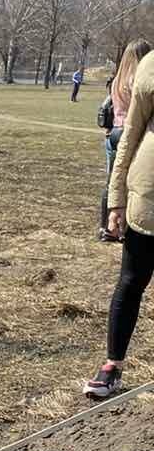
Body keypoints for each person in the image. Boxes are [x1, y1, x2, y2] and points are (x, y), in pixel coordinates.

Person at [85, 47, 154, 399]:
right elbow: (129, 134)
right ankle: (112, 366)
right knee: (130, 283)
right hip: (148, 201)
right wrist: (115, 200)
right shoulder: (150, 66)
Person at [98, 40, 152, 242]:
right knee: (131, 183)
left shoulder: (117, 80)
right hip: (128, 134)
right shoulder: (138, 80)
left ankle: (106, 226)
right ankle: (126, 228)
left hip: (112, 134)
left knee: (112, 181)